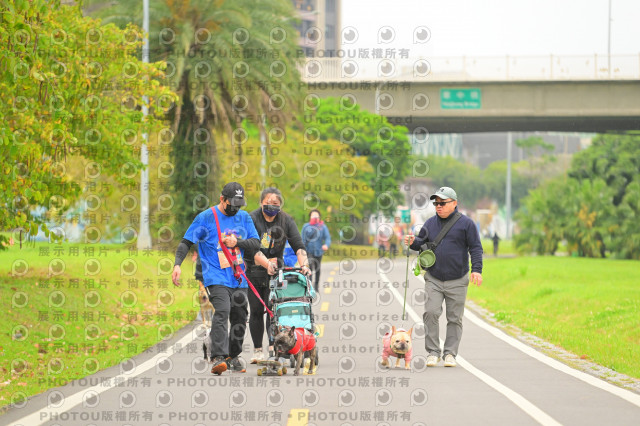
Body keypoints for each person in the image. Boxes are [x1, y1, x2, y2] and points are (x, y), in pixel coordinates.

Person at [171, 182, 276, 375]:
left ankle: (232, 356)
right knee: (223, 309)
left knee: (240, 315)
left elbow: (255, 243)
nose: (235, 209)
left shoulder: (244, 217)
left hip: (238, 276)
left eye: (239, 205)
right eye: (232, 204)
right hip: (215, 275)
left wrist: (237, 242)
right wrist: (177, 264)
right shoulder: (206, 218)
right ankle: (218, 356)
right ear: (222, 199)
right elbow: (186, 242)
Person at [404, 186, 483, 368]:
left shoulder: (467, 224)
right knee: (430, 313)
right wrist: (413, 242)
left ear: (454, 203)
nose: (438, 206)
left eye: (442, 203)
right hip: (434, 278)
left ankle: (450, 353)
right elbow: (421, 243)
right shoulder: (430, 223)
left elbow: (476, 248)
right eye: (436, 203)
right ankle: (433, 352)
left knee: (454, 318)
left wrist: (477, 270)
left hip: (458, 278)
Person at [245, 187, 310, 363]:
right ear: (261, 202)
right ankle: (258, 350)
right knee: (256, 311)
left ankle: (273, 347)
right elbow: (251, 248)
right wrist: (266, 263)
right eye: (268, 202)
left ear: (280, 205)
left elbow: (298, 246)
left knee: (274, 310)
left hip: (276, 273)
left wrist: (304, 265)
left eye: (276, 203)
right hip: (255, 271)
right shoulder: (252, 219)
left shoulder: (286, 220)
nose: (272, 206)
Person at [301, 209, 331, 292]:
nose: (314, 217)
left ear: (319, 217)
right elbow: (302, 239)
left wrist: (326, 245)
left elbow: (327, 238)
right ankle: (310, 286)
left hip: (318, 251)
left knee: (317, 268)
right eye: (313, 215)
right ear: (310, 216)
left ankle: (316, 286)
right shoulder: (306, 226)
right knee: (309, 268)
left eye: (316, 215)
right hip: (308, 251)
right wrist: (301, 250)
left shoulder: (323, 227)